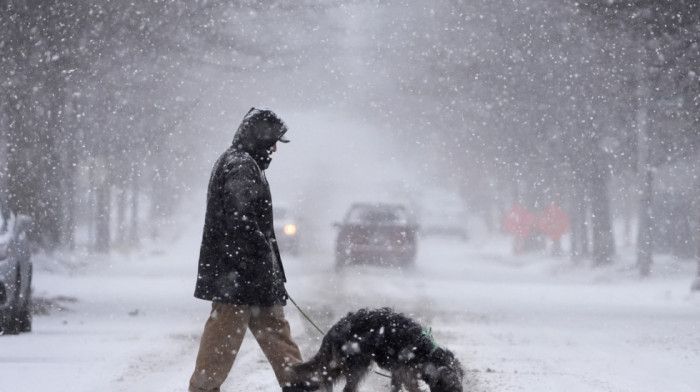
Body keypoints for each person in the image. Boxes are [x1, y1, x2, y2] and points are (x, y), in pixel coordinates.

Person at [189, 108, 314, 392]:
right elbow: (240, 219)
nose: (274, 149)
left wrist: (265, 268)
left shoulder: (243, 162)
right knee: (221, 342)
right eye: (271, 142)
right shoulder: (241, 165)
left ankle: (300, 386)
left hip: (252, 276)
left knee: (277, 335)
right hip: (237, 278)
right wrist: (259, 259)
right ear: (258, 138)